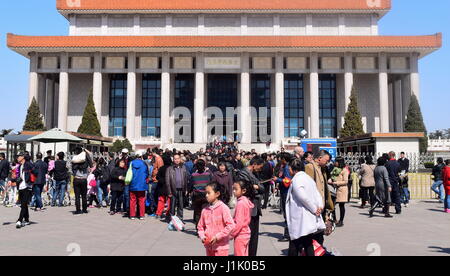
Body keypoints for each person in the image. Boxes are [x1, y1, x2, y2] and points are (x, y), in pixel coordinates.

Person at [286, 159, 326, 256]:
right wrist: (319, 206)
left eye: (289, 169)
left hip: (301, 217)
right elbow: (318, 194)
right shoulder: (308, 178)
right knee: (308, 243)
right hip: (307, 216)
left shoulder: (296, 180)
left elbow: (302, 197)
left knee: (295, 243)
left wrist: (314, 209)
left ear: (292, 169)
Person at [236, 157, 265, 256]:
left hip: (255, 208)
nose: (259, 170)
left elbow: (261, 188)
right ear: (254, 164)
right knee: (248, 235)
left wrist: (257, 187)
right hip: (248, 208)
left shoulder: (254, 174)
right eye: (259, 167)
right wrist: (256, 188)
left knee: (254, 236)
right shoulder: (243, 173)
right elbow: (248, 190)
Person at [197, 182, 235, 256]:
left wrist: (218, 237)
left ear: (217, 194)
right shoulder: (205, 210)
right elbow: (200, 226)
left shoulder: (223, 208)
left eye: (209, 193)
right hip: (209, 246)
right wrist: (202, 236)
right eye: (206, 193)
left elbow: (231, 225)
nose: (206, 195)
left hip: (221, 247)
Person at [305, 150, 334, 245]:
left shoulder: (323, 168)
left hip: (322, 205)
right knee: (314, 233)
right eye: (326, 160)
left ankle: (318, 249)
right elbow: (307, 188)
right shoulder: (310, 167)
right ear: (320, 158)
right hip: (315, 207)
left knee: (320, 232)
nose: (327, 162)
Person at [230, 180, 255, 256]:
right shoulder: (245, 201)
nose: (234, 191)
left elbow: (239, 223)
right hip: (245, 232)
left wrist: (231, 235)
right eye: (233, 189)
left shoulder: (241, 203)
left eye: (236, 189)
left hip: (240, 234)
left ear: (243, 191)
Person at [272, 152, 292, 241]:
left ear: (284, 159)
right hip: (283, 191)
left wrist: (278, 179)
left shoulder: (287, 168)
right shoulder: (284, 167)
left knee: (287, 213)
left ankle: (287, 234)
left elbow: (288, 181)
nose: (279, 160)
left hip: (286, 192)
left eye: (280, 158)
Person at [165, 154, 189, 222]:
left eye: (178, 158)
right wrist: (169, 191)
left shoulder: (183, 167)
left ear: (180, 159)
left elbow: (185, 178)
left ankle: (180, 219)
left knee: (181, 205)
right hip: (173, 189)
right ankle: (172, 219)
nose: (177, 160)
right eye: (175, 159)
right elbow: (167, 181)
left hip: (181, 189)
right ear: (173, 160)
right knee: (172, 205)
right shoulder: (169, 169)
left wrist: (186, 188)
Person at [190, 159, 213, 228]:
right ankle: (205, 227)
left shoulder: (193, 175)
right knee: (206, 212)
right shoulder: (208, 174)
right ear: (204, 166)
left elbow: (191, 185)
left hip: (196, 196)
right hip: (206, 196)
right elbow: (211, 184)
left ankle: (198, 228)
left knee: (198, 213)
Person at [71, 147, 93, 215]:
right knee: (84, 195)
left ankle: (78, 210)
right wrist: (85, 150)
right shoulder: (85, 160)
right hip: (83, 179)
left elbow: (72, 169)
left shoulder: (75, 159)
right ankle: (84, 209)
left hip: (76, 179)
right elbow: (91, 158)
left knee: (77, 196)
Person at [129, 151, 149, 220]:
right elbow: (147, 174)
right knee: (141, 200)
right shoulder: (144, 164)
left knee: (132, 200)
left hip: (133, 184)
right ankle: (141, 215)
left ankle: (132, 215)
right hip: (142, 185)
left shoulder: (131, 163)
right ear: (141, 157)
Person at [15, 152, 34, 229]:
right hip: (21, 187)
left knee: (23, 204)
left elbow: (35, 172)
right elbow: (20, 176)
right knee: (23, 204)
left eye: (18, 156)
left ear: (23, 157)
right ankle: (26, 219)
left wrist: (30, 180)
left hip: (27, 187)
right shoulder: (20, 166)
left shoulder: (28, 164)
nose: (17, 158)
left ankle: (20, 220)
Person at [329, 157, 349, 227]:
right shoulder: (335, 169)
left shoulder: (344, 170)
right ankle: (334, 219)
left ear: (339, 162)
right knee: (332, 205)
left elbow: (346, 181)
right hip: (334, 189)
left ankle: (341, 221)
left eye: (336, 161)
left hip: (342, 190)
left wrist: (336, 183)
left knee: (341, 205)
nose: (335, 163)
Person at [155, 154, 172, 219]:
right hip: (169, 187)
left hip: (162, 187)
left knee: (161, 201)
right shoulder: (171, 168)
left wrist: (162, 180)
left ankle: (158, 213)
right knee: (169, 201)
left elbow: (157, 177)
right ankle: (168, 213)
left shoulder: (161, 168)